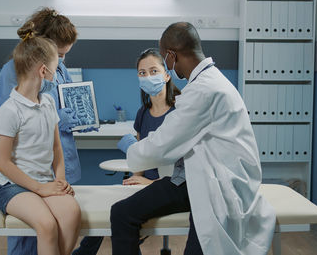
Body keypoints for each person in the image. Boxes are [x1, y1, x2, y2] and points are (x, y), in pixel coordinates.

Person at [111, 22, 276, 255]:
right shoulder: (208, 82)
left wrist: (132, 149)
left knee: (196, 245)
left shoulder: (204, 91)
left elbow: (163, 144)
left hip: (216, 185)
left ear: (171, 55)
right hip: (195, 179)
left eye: (163, 61)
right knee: (122, 213)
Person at [0, 8, 102, 255]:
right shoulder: (12, 72)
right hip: (23, 173)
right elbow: (9, 129)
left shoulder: (59, 69)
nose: (62, 61)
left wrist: (78, 118)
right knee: (30, 238)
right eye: (59, 55)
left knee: (64, 224)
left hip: (57, 165)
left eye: (64, 55)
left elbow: (65, 101)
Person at [122, 48, 181, 186]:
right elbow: (140, 160)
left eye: (154, 71)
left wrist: (149, 182)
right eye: (142, 73)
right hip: (144, 185)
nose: (148, 77)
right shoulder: (142, 113)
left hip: (168, 186)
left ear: (167, 75)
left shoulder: (179, 112)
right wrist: (134, 180)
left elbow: (182, 171)